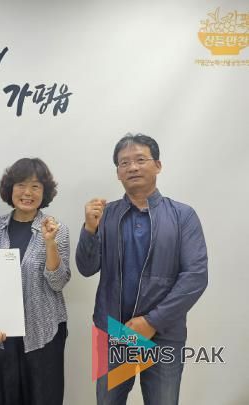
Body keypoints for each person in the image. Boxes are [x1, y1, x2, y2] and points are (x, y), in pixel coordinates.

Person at [76, 133, 208, 404]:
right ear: (118, 173)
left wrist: (152, 322)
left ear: (157, 165)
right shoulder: (106, 215)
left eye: (140, 160)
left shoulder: (182, 215)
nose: (132, 167)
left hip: (164, 333)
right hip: (114, 331)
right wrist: (89, 229)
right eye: (124, 163)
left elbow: (195, 277)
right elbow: (86, 268)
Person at [0, 157, 70, 405]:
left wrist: (49, 243)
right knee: (2, 396)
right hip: (1, 333)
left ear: (45, 192)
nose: (27, 193)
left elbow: (58, 282)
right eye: (21, 185)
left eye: (35, 186)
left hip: (43, 330)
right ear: (10, 189)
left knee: (43, 396)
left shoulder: (56, 229)